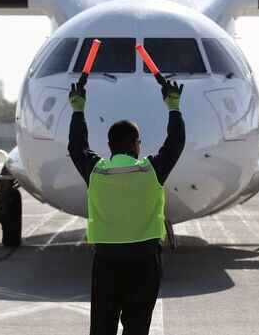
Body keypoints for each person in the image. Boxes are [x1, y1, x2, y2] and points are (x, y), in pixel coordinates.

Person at [67, 78, 186, 335]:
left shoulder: (96, 171)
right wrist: (173, 106)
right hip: (144, 262)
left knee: (102, 327)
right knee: (137, 328)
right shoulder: (151, 170)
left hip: (106, 262)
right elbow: (176, 141)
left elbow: (76, 146)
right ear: (137, 144)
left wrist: (78, 110)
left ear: (109, 147)